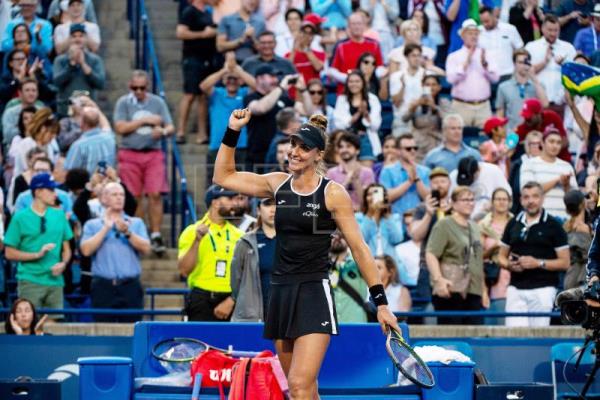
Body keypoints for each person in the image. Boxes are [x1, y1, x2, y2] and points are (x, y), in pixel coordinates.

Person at [213, 108, 398, 398]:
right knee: (303, 390)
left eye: (304, 147)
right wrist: (233, 129)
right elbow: (224, 176)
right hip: (281, 292)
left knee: (299, 385)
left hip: (313, 292)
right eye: (294, 145)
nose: (295, 152)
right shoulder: (276, 183)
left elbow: (360, 249)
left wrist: (382, 303)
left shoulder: (333, 193)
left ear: (318, 155)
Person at [113, 70, 175, 255]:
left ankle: (155, 234)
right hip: (129, 153)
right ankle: (140, 232)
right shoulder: (123, 102)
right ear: (129, 86)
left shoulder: (157, 102)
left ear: (147, 86)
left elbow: (170, 126)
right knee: (135, 195)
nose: (139, 91)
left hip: (153, 153)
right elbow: (120, 127)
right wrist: (145, 121)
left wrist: (163, 132)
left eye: (142, 87)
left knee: (155, 193)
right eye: (135, 88)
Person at [498, 181, 570, 327]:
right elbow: (501, 256)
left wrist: (538, 263)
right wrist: (509, 265)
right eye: (526, 197)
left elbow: (565, 262)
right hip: (515, 289)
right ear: (521, 200)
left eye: (535, 196)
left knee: (539, 336)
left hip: (543, 289)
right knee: (513, 338)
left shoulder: (554, 226)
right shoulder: (512, 223)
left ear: (542, 198)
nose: (531, 201)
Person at [80, 182, 151, 322]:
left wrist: (127, 232)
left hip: (130, 286)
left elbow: (146, 249)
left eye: (122, 194)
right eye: (114, 194)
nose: (119, 198)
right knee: (103, 333)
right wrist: (105, 228)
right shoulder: (92, 225)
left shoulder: (136, 223)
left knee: (133, 331)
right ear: (104, 198)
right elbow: (86, 250)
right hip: (103, 287)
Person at [4, 173, 73, 316]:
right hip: (29, 280)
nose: (55, 193)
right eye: (51, 190)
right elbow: (9, 253)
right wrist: (37, 255)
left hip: (55, 282)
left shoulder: (60, 216)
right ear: (38, 192)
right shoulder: (20, 218)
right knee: (28, 325)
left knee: (55, 327)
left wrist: (63, 264)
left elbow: (67, 249)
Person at [178, 185, 244, 321]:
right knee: (199, 342)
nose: (234, 203)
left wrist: (232, 300)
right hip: (201, 299)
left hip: (231, 299)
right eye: (229, 199)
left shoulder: (239, 235)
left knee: (230, 342)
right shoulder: (191, 231)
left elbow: (245, 274)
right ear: (215, 203)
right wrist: (197, 241)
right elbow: (184, 271)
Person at [426, 186, 485, 325]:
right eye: (465, 199)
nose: (470, 203)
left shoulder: (475, 227)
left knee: (474, 336)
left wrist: (484, 290)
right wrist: (438, 280)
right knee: (451, 336)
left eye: (472, 200)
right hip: (451, 288)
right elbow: (431, 253)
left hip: (474, 289)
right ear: (453, 203)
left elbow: (477, 259)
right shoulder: (444, 224)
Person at [201, 52, 256, 172]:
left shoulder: (244, 93)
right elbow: (203, 86)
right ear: (224, 80)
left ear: (240, 81)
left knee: (242, 183)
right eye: (229, 78)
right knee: (214, 184)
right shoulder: (217, 93)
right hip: (217, 144)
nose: (232, 81)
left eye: (235, 79)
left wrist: (238, 70)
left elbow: (256, 86)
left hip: (240, 145)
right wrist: (224, 70)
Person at [175, 0, 218, 145]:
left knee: (203, 96)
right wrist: (203, 34)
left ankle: (202, 133)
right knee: (190, 94)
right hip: (192, 58)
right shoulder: (189, 11)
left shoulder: (207, 12)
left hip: (206, 59)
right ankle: (180, 130)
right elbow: (180, 32)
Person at [410, 167, 453, 307]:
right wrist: (429, 213)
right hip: (427, 268)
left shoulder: (458, 207)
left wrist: (453, 213)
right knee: (429, 313)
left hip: (453, 267)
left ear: (450, 183)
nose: (439, 185)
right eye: (435, 182)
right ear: (430, 185)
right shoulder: (422, 208)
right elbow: (415, 235)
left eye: (443, 181)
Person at [445, 19, 499, 129]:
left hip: (483, 107)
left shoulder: (486, 55)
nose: (473, 37)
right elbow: (450, 79)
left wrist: (485, 65)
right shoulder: (454, 56)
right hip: (461, 106)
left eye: (476, 34)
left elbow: (495, 79)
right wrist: (465, 64)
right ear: (463, 36)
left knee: (485, 139)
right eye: (470, 33)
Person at [230, 198, 276, 322]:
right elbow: (236, 281)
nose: (273, 209)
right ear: (258, 210)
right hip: (252, 317)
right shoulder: (245, 242)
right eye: (267, 204)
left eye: (278, 204)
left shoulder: (292, 243)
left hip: (284, 317)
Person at [244, 69, 296, 172]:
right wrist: (281, 88)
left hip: (279, 157)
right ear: (259, 79)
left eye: (276, 77)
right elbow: (260, 109)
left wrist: (302, 90)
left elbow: (304, 111)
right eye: (271, 76)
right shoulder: (250, 97)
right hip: (257, 157)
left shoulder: (283, 98)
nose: (276, 80)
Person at [524, 15, 576, 118]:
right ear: (542, 28)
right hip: (538, 103)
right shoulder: (531, 47)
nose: (553, 33)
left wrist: (563, 65)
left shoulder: (568, 48)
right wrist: (544, 62)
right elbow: (526, 71)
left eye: (556, 30)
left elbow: (574, 74)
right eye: (550, 30)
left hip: (561, 104)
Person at [520, 126, 577, 219]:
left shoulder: (567, 166)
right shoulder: (529, 164)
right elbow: (527, 192)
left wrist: (566, 185)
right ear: (542, 143)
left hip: (564, 218)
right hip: (539, 218)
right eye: (551, 141)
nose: (555, 145)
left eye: (558, 143)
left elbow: (574, 199)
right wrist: (557, 181)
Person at [52, 24, 105, 116]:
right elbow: (56, 83)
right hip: (65, 110)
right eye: (74, 36)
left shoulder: (95, 60)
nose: (77, 39)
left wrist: (84, 65)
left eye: (81, 36)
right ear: (69, 39)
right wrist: (71, 65)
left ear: (86, 39)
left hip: (88, 110)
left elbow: (100, 84)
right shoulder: (60, 60)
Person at [478, 188, 513, 325]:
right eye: (498, 199)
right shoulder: (483, 225)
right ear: (492, 202)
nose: (501, 202)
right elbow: (478, 256)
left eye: (504, 199)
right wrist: (495, 247)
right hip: (491, 277)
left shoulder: (516, 223)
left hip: (512, 274)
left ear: (509, 202)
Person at [356, 183, 404, 279]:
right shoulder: (358, 218)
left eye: (376, 193)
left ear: (384, 197)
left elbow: (397, 239)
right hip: (367, 265)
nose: (373, 197)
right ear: (365, 198)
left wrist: (386, 214)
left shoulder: (393, 217)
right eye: (369, 194)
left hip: (390, 266)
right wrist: (370, 214)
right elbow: (361, 239)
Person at [332, 70, 382, 163]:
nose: (354, 84)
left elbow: (376, 126)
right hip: (347, 139)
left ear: (363, 83)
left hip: (366, 138)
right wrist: (358, 114)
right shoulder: (342, 99)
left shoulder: (372, 99)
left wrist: (366, 114)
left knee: (366, 173)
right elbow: (339, 124)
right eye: (351, 81)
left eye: (357, 81)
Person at [329, 12, 383, 93]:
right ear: (349, 26)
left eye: (359, 23)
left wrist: (368, 77)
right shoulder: (340, 46)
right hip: (345, 91)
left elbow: (380, 67)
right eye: (353, 24)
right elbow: (332, 70)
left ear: (364, 25)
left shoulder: (374, 44)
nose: (356, 27)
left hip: (368, 90)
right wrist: (349, 79)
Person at [496, 49, 549, 131]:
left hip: (533, 133)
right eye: (520, 62)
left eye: (526, 62)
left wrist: (534, 78)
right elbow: (500, 113)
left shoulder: (538, 85)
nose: (523, 66)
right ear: (514, 64)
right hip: (512, 133)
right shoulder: (503, 87)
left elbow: (545, 105)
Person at [380, 133, 430, 216]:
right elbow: (385, 198)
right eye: (408, 149)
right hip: (395, 220)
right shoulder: (387, 171)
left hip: (419, 220)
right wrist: (409, 182)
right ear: (398, 151)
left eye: (415, 148)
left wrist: (417, 178)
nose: (413, 151)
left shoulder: (425, 171)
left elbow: (428, 198)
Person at [405, 74, 451, 162]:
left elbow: (448, 121)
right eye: (427, 85)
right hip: (419, 146)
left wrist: (435, 107)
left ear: (439, 87)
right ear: (422, 86)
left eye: (434, 84)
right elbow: (404, 119)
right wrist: (414, 107)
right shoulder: (415, 102)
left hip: (437, 144)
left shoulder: (444, 102)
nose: (431, 87)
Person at [328, 230, 370, 323]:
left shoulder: (358, 263)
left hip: (356, 323)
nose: (337, 238)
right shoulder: (319, 265)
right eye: (333, 236)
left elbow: (363, 252)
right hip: (328, 326)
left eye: (342, 236)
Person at [326, 131, 375, 210]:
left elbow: (368, 204)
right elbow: (329, 202)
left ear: (357, 150)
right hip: (337, 217)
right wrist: (346, 181)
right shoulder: (331, 173)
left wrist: (356, 181)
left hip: (361, 218)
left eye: (348, 146)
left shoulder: (367, 172)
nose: (344, 150)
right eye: (341, 147)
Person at [63, 106, 115, 174]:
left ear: (82, 123)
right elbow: (105, 125)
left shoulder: (78, 146)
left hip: (87, 184)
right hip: (108, 183)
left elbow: (69, 173)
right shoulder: (110, 138)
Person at [515, 98, 570, 162]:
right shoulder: (522, 128)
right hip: (537, 164)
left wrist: (549, 146)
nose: (526, 119)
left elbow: (566, 142)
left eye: (529, 117)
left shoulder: (552, 117)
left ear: (538, 114)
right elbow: (512, 148)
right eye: (524, 116)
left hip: (561, 160)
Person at [13, 107, 59, 177]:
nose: (54, 137)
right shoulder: (25, 144)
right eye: (52, 133)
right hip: (25, 182)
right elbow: (27, 169)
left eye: (55, 133)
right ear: (42, 129)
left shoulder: (52, 144)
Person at [562, 190, 592, 290]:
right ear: (583, 204)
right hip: (581, 276)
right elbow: (588, 254)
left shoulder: (564, 227)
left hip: (568, 277)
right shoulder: (584, 228)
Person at [2, 78, 42, 148]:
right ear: (20, 93)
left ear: (38, 93)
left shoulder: (42, 111)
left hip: (39, 146)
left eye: (34, 90)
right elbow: (8, 136)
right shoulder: (10, 112)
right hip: (14, 148)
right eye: (27, 90)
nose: (31, 93)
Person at [284, 19, 326, 86]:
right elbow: (286, 69)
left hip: (312, 92)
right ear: (298, 34)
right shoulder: (289, 54)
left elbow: (318, 67)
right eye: (304, 32)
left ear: (313, 37)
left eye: (310, 33)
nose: (307, 36)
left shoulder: (319, 53)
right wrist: (294, 49)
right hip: (294, 93)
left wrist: (305, 48)